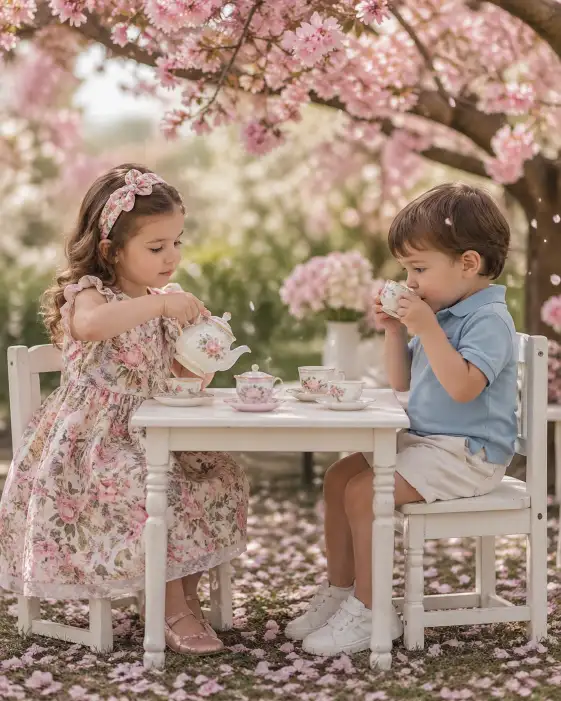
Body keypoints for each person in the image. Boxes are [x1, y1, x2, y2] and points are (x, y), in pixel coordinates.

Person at [0, 164, 249, 655]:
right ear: (111, 250)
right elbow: (92, 327)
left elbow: (172, 376)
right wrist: (158, 308)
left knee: (218, 475)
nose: (171, 257)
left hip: (154, 432)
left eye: (177, 242)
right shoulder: (91, 295)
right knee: (154, 489)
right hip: (91, 448)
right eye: (156, 248)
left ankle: (182, 594)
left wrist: (200, 360)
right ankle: (170, 606)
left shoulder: (162, 302)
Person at [285, 182, 518, 656]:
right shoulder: (444, 310)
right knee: (338, 478)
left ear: (468, 263)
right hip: (429, 442)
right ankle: (344, 591)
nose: (409, 281)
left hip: (468, 454)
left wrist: (426, 326)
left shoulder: (487, 319)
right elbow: (401, 382)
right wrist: (396, 331)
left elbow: (463, 387)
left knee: (367, 492)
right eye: (406, 269)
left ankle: (373, 612)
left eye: (419, 268)